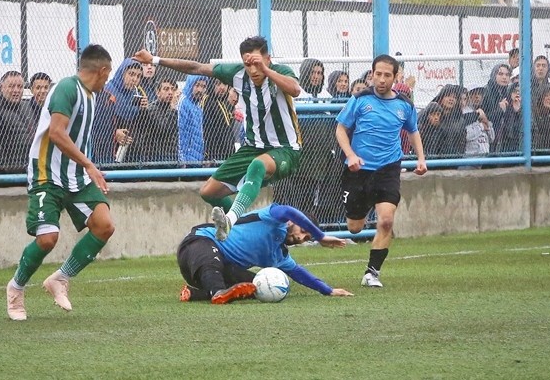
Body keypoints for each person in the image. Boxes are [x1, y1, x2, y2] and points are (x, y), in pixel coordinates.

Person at [134, 36, 303, 241]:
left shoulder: (281, 72)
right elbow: (196, 68)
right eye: (248, 64)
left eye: (257, 63)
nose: (253, 70)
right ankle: (243, 231)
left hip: (286, 149)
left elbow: (294, 89)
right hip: (253, 147)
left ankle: (230, 221)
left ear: (268, 59)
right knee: (209, 192)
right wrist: (155, 60)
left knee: (258, 166)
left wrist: (266, 70)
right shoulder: (238, 75)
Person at [6, 44, 116, 321]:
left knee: (104, 226)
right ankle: (16, 287)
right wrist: (90, 164)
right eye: (108, 74)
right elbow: (56, 133)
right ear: (101, 71)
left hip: (75, 177)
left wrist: (84, 166)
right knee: (47, 240)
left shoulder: (91, 96)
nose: (108, 80)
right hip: (47, 174)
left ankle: (60, 279)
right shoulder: (68, 88)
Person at [335, 54, 427, 288]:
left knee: (386, 221)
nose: (382, 79)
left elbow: (413, 131)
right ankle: (365, 205)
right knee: (354, 228)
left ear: (395, 77)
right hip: (359, 170)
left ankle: (372, 273)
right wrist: (351, 155)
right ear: (372, 74)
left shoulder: (404, 105)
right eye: (378, 74)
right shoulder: (360, 99)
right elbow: (340, 130)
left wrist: (420, 158)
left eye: (387, 75)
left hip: (388, 169)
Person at [177, 203, 354, 304]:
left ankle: (197, 293)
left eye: (307, 238)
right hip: (198, 244)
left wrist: (328, 290)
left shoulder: (279, 256)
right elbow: (287, 210)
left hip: (202, 274)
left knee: (257, 286)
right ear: (293, 221)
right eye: (303, 231)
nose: (301, 238)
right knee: (211, 259)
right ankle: (217, 292)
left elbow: (300, 274)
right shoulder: (273, 217)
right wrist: (319, 235)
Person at [0, 71, 35, 173]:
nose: (16, 90)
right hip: (3, 172)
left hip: (26, 168)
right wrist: (8, 170)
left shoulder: (26, 107)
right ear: (2, 87)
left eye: (20, 86)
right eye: (11, 86)